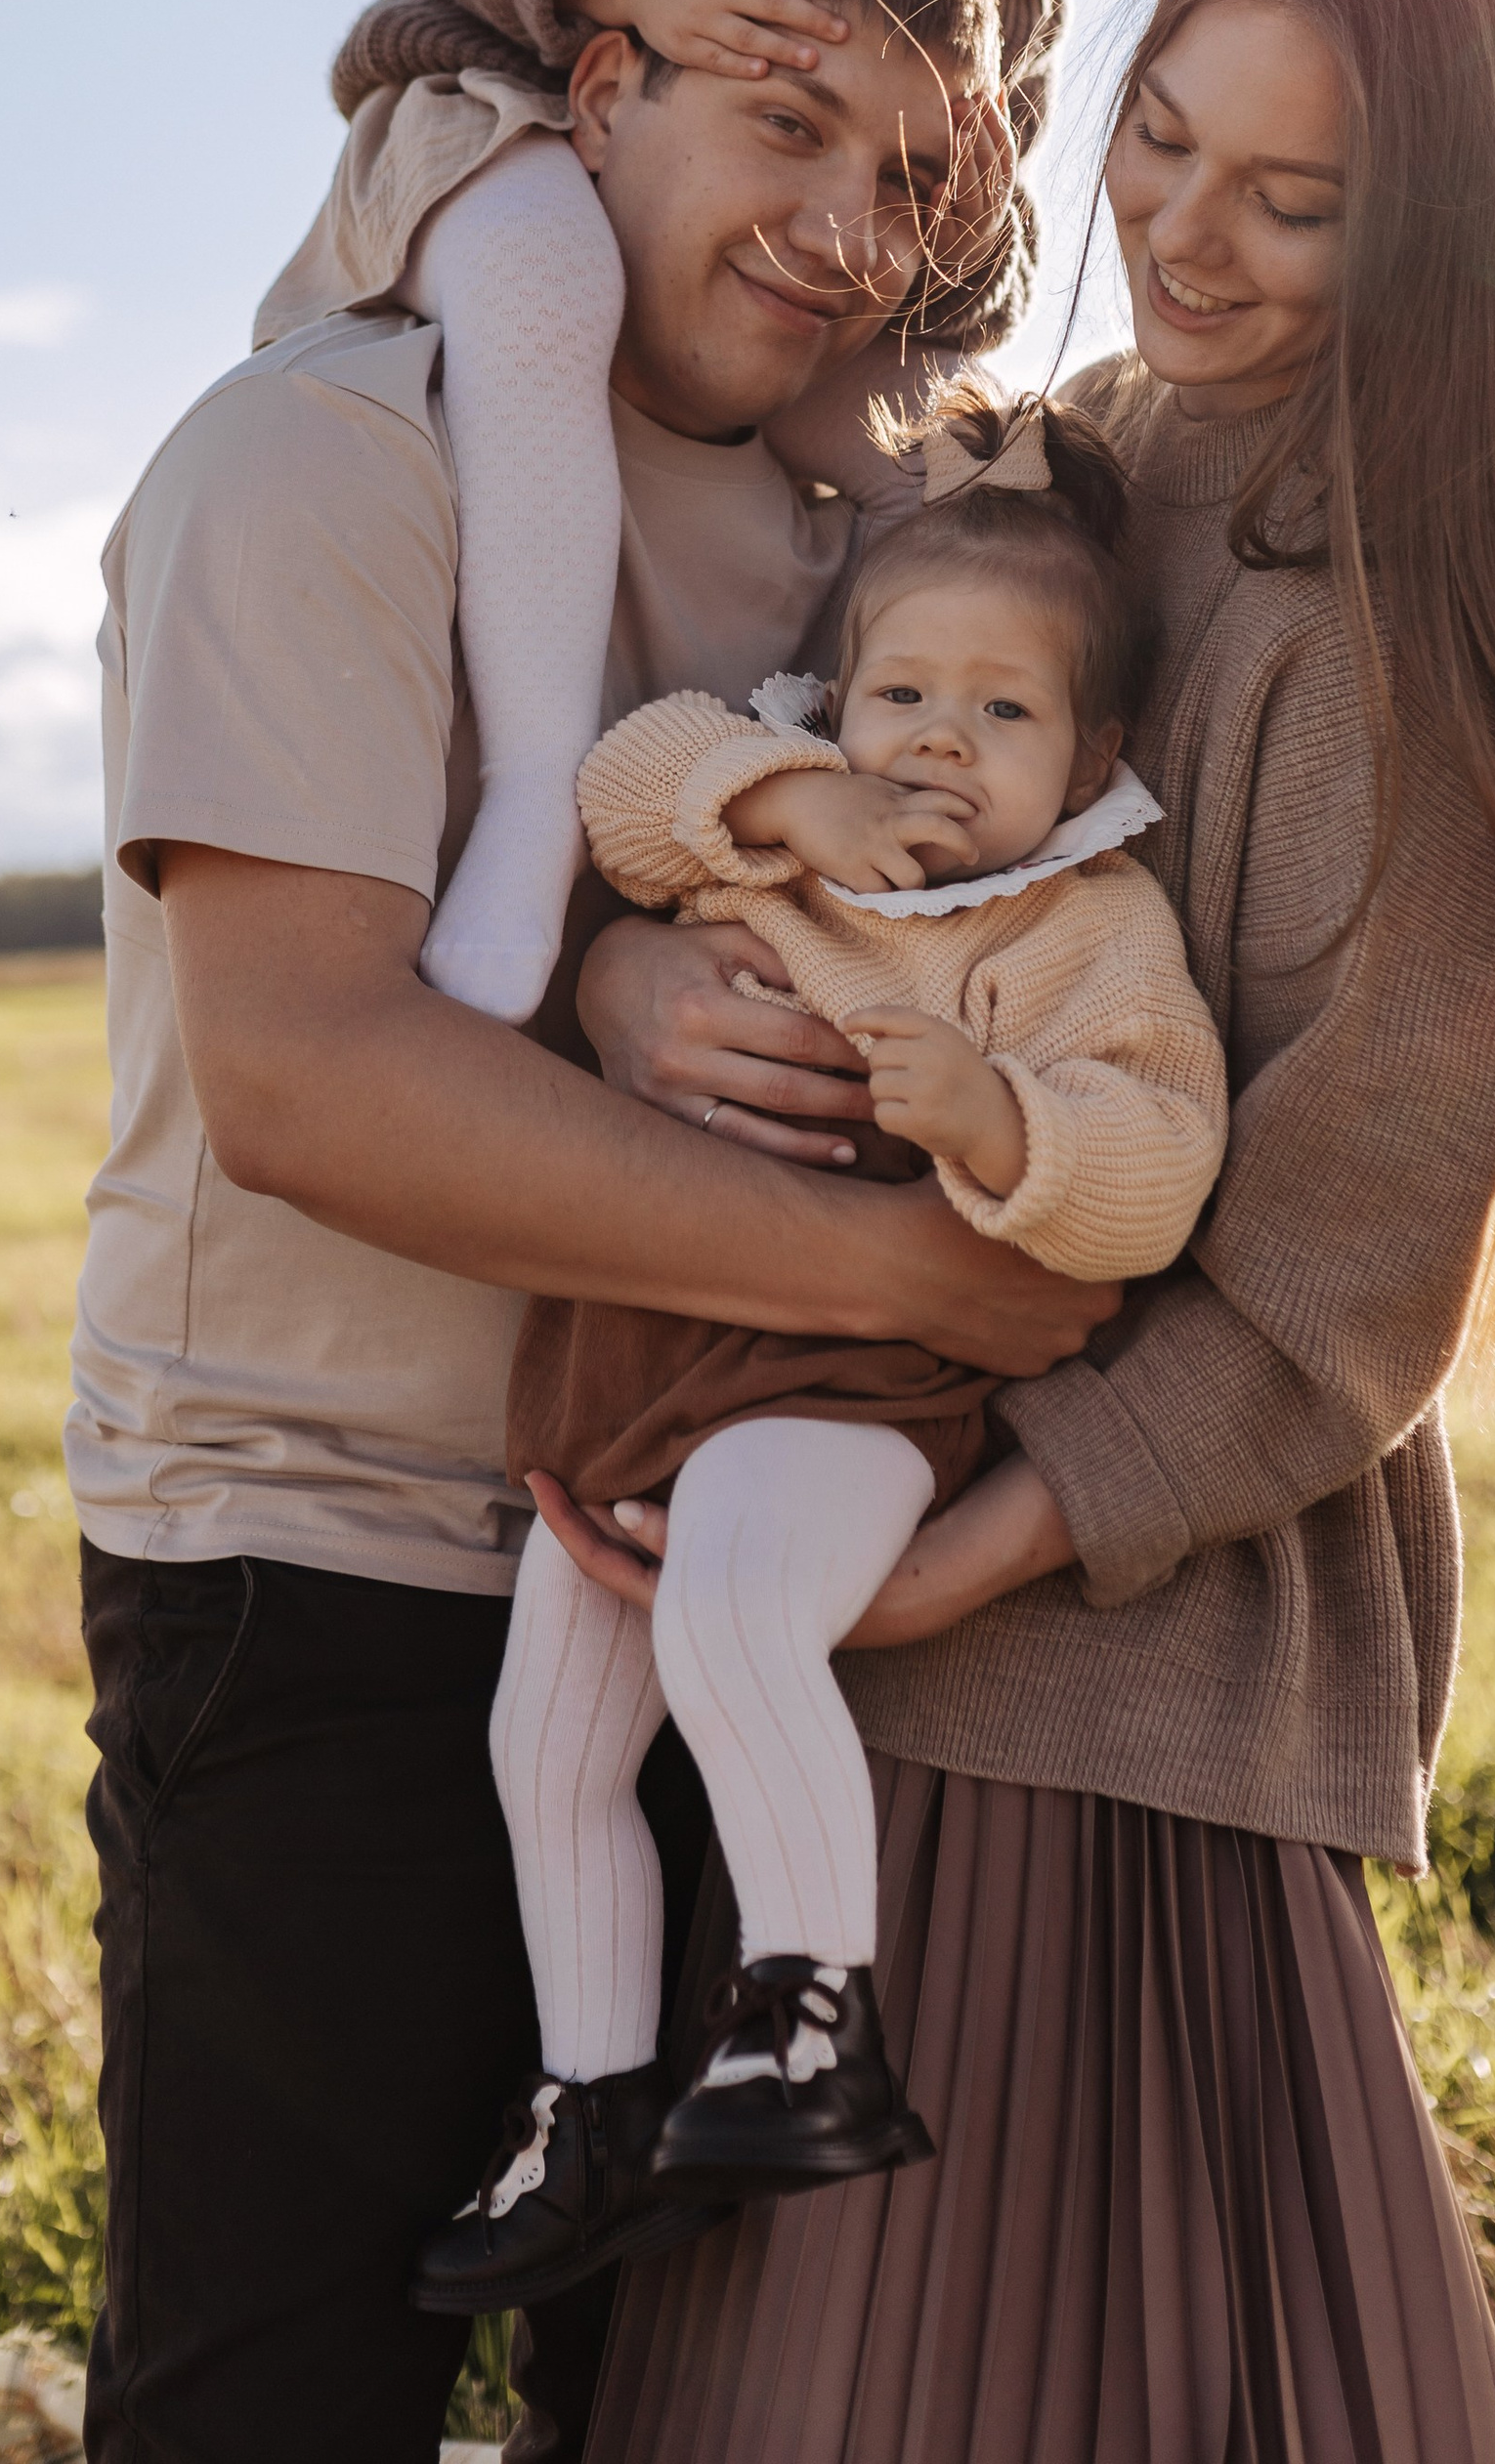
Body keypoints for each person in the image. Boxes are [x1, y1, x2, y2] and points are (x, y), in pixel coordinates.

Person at [552, 0, 1495, 2461]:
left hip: (1119, 1675)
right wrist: (641, 971)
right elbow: (804, 799)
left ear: (1460, 237)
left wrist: (972, 1548)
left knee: (1001, 2367)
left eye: (1297, 202)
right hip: (857, 1539)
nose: (1188, 237)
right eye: (1159, 140)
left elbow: (1345, 1274)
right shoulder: (1068, 467)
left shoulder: (1405, 631)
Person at [63, 0, 1126, 2464]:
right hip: (320, 1574)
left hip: (691, 1529)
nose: (845, 229)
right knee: (282, 2388)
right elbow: (312, 1082)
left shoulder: (841, 540)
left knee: (680, 2408)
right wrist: (913, 1279)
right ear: (600, 94)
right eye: (789, 121)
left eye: (909, 175)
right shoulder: (312, 462)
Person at [409, 390, 1227, 2324]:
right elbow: (622, 785)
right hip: (637, 1367)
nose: (939, 742)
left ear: (1091, 754)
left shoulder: (1074, 925)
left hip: (846, 1388)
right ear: (831, 696)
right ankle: (594, 2101)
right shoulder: (772, 833)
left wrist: (999, 1115)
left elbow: (1159, 1168)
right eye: (899, 698)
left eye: (1005, 712)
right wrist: (789, 803)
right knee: (544, 1744)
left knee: (728, 1628)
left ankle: (808, 2019)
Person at [259, 0, 1276, 1024]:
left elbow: (934, 296)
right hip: (514, 114)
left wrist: (976, 212)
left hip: (757, 269)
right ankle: (542, 796)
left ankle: (868, 839)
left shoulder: (1030, 17)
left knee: (945, 476)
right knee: (550, 275)